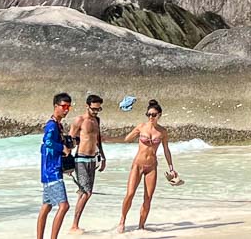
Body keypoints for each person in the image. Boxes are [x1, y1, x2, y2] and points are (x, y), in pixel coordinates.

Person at [117, 98, 179, 234]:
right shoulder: (141, 127)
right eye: (148, 114)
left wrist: (171, 168)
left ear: (159, 115)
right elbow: (126, 139)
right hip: (137, 165)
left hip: (151, 166)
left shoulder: (162, 132)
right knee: (130, 194)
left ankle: (141, 226)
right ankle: (122, 220)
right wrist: (107, 139)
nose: (151, 117)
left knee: (148, 197)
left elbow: (166, 150)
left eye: (153, 115)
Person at [69, 93, 106, 232]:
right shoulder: (80, 120)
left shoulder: (97, 120)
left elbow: (98, 139)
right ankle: (74, 225)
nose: (96, 112)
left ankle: (75, 225)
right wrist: (66, 161)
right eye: (94, 109)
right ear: (87, 106)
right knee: (86, 193)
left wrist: (102, 157)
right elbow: (69, 140)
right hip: (81, 159)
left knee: (83, 193)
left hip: (92, 159)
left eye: (98, 109)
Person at [38, 92, 72, 239]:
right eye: (63, 106)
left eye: (68, 107)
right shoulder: (52, 125)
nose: (66, 110)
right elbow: (47, 142)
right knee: (64, 206)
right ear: (55, 106)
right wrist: (62, 148)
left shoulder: (58, 125)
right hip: (52, 171)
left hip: (49, 170)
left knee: (47, 206)